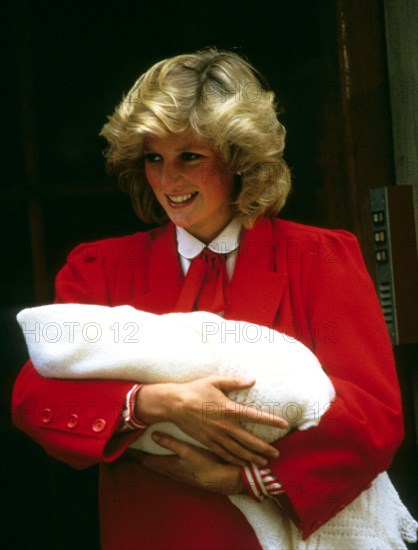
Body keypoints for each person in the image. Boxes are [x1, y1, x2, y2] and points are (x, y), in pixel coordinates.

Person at [12, 48, 406, 549]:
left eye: (190, 157)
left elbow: (374, 416)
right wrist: (154, 403)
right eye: (154, 158)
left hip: (276, 530)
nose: (168, 181)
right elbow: (34, 397)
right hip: (151, 531)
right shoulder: (100, 268)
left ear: (240, 157)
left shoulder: (320, 257)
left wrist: (241, 479)